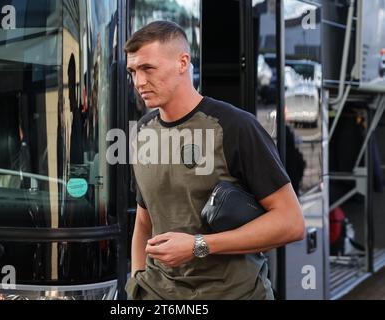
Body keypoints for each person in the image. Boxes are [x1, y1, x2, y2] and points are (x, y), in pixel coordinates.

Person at [125, 20, 305, 300]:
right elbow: (144, 222)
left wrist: (199, 245)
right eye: (133, 71)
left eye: (148, 68)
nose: (138, 82)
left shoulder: (235, 127)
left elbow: (291, 223)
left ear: (183, 63)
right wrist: (137, 284)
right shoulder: (143, 132)